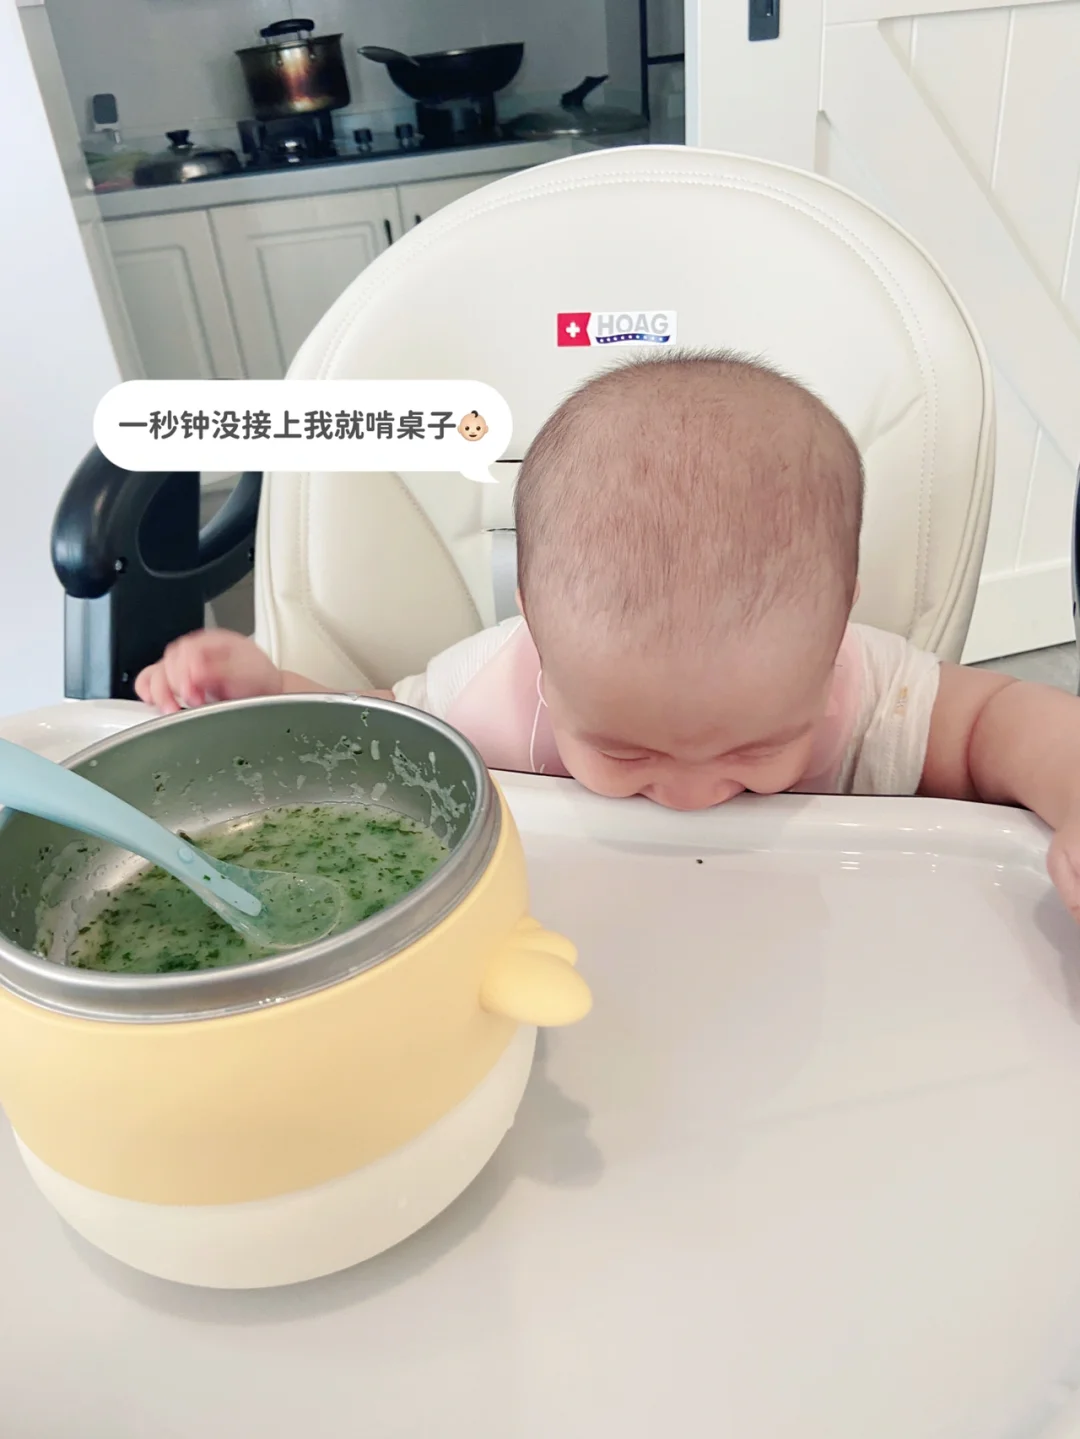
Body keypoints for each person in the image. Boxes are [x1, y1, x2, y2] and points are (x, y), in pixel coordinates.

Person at [135, 352, 1080, 921]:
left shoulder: (861, 688)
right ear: (537, 640)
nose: (691, 794)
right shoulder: (490, 694)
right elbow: (377, 735)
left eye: (757, 751)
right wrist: (274, 696)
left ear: (837, 628)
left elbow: (996, 721)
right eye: (626, 752)